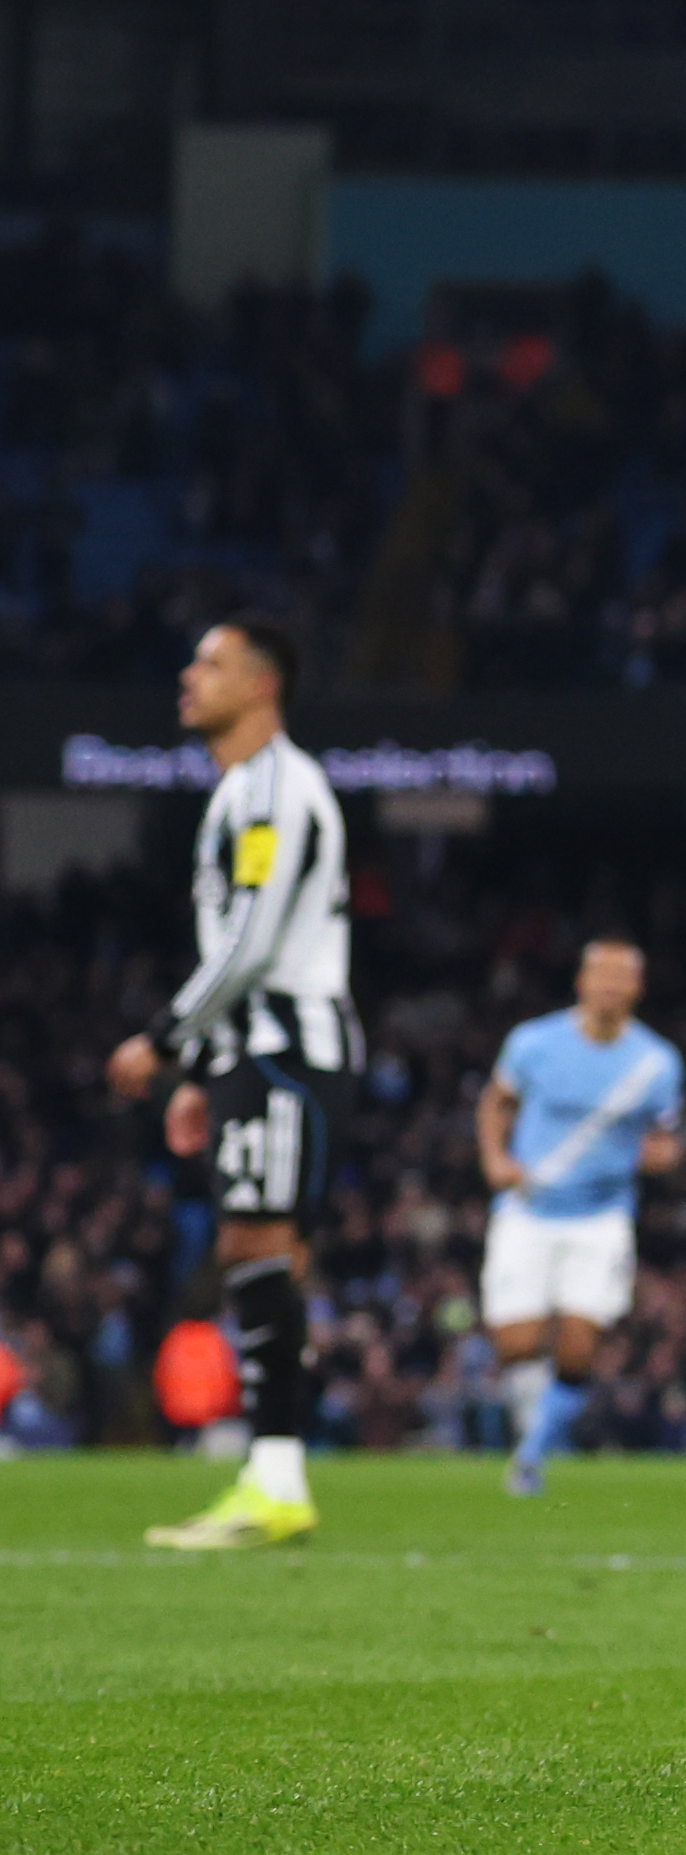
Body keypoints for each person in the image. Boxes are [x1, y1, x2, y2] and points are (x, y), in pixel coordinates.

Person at [108, 616, 359, 1551]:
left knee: (257, 1245)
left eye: (208, 665)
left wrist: (168, 1039)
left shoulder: (276, 790)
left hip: (284, 1048)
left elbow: (253, 944)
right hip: (254, 1052)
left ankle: (277, 1478)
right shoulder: (238, 793)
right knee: (262, 1249)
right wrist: (204, 1068)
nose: (187, 677)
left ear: (261, 686)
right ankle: (272, 1473)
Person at [474, 937, 685, 1495]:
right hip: (528, 1209)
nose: (611, 986)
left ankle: (531, 1456)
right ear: (582, 982)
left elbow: (662, 1135)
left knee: (578, 1345)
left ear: (638, 989)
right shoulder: (534, 1043)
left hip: (601, 1216)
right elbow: (496, 1101)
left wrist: (663, 1155)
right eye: (602, 975)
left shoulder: (656, 1063)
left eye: (623, 977)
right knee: (516, 1344)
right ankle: (533, 1434)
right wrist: (496, 1158)